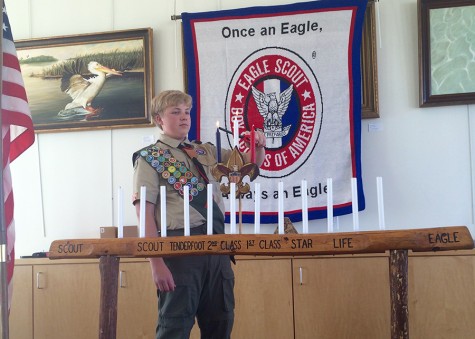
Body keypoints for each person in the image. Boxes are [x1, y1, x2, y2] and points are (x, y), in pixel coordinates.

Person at [132, 90, 266, 339]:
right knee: (175, 325)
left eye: (187, 111)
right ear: (159, 118)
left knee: (221, 322)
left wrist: (258, 145)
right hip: (180, 250)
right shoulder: (150, 158)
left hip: (217, 247)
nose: (184, 117)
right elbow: (145, 212)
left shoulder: (206, 150)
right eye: (175, 112)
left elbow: (248, 166)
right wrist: (156, 262)